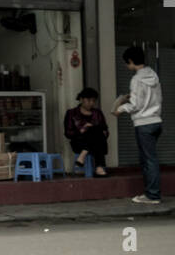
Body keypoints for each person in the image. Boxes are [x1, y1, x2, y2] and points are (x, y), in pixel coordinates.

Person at [112, 45, 163, 204]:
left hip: (144, 123)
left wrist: (120, 108)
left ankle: (152, 195)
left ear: (131, 61)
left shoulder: (136, 79)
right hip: (156, 121)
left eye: (127, 63)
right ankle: (150, 193)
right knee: (149, 159)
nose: (127, 66)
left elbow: (136, 105)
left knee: (149, 160)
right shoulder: (153, 74)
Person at [63, 87, 109, 177]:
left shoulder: (97, 113)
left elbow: (105, 130)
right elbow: (68, 133)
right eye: (88, 100)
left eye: (93, 101)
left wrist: (103, 132)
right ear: (81, 99)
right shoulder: (71, 113)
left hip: (98, 141)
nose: (91, 103)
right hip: (79, 142)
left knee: (96, 130)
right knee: (95, 133)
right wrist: (82, 130)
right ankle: (99, 168)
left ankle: (83, 155)